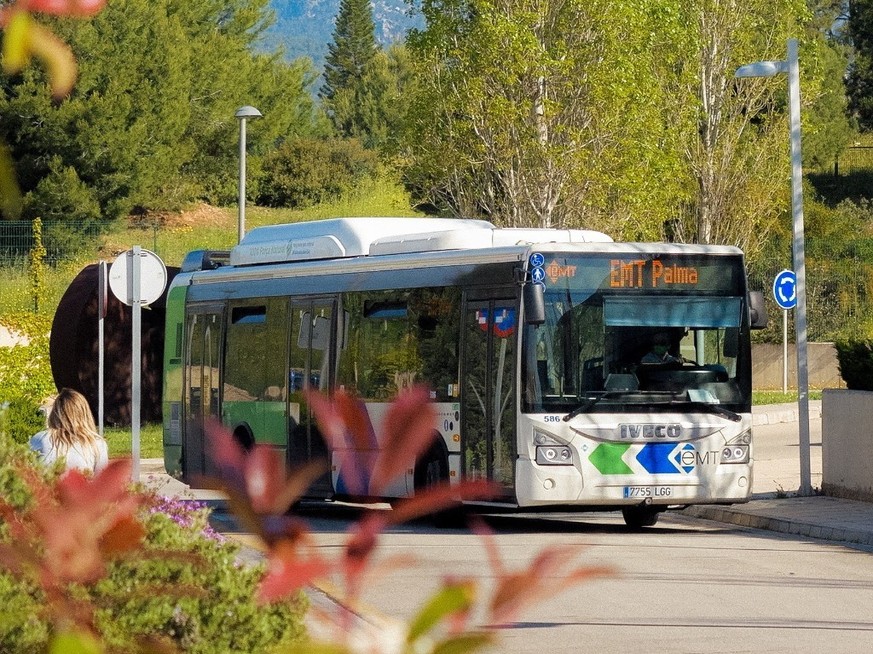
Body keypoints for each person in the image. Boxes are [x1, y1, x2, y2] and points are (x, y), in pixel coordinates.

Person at [30, 388, 108, 474]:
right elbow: (102, 482)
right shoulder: (96, 444)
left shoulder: (41, 439)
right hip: (81, 486)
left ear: (55, 412)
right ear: (85, 413)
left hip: (47, 485)